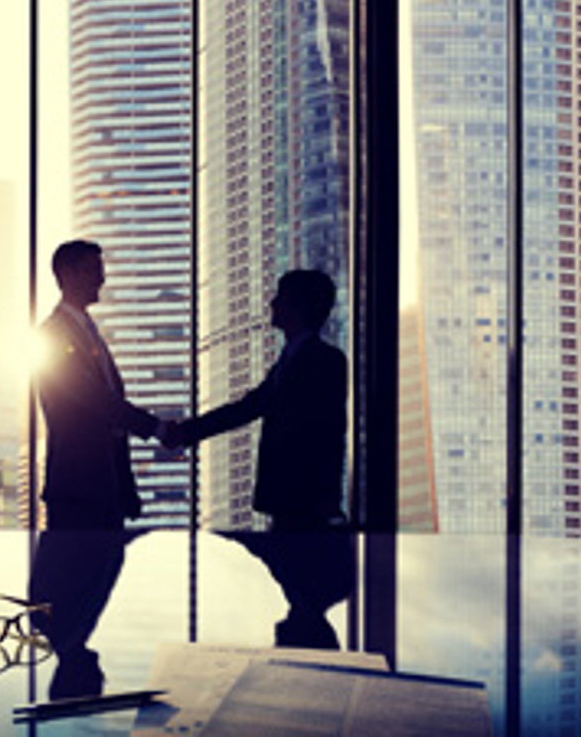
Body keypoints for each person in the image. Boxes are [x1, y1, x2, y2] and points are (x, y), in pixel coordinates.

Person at [166, 269, 352, 648]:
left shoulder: (324, 361)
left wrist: (184, 432)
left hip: (305, 507)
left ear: (296, 307)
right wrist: (188, 431)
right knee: (294, 583)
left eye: (280, 297)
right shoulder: (292, 359)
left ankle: (307, 652)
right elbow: (251, 407)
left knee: (298, 582)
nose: (272, 303)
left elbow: (324, 434)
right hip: (293, 504)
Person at [28, 239, 168, 699]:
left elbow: (104, 413)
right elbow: (93, 402)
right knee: (78, 579)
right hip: (78, 488)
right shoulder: (53, 335)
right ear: (67, 273)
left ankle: (72, 655)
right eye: (93, 269)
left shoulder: (85, 333)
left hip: (99, 488)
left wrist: (125, 485)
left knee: (94, 573)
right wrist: (156, 428)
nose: (102, 278)